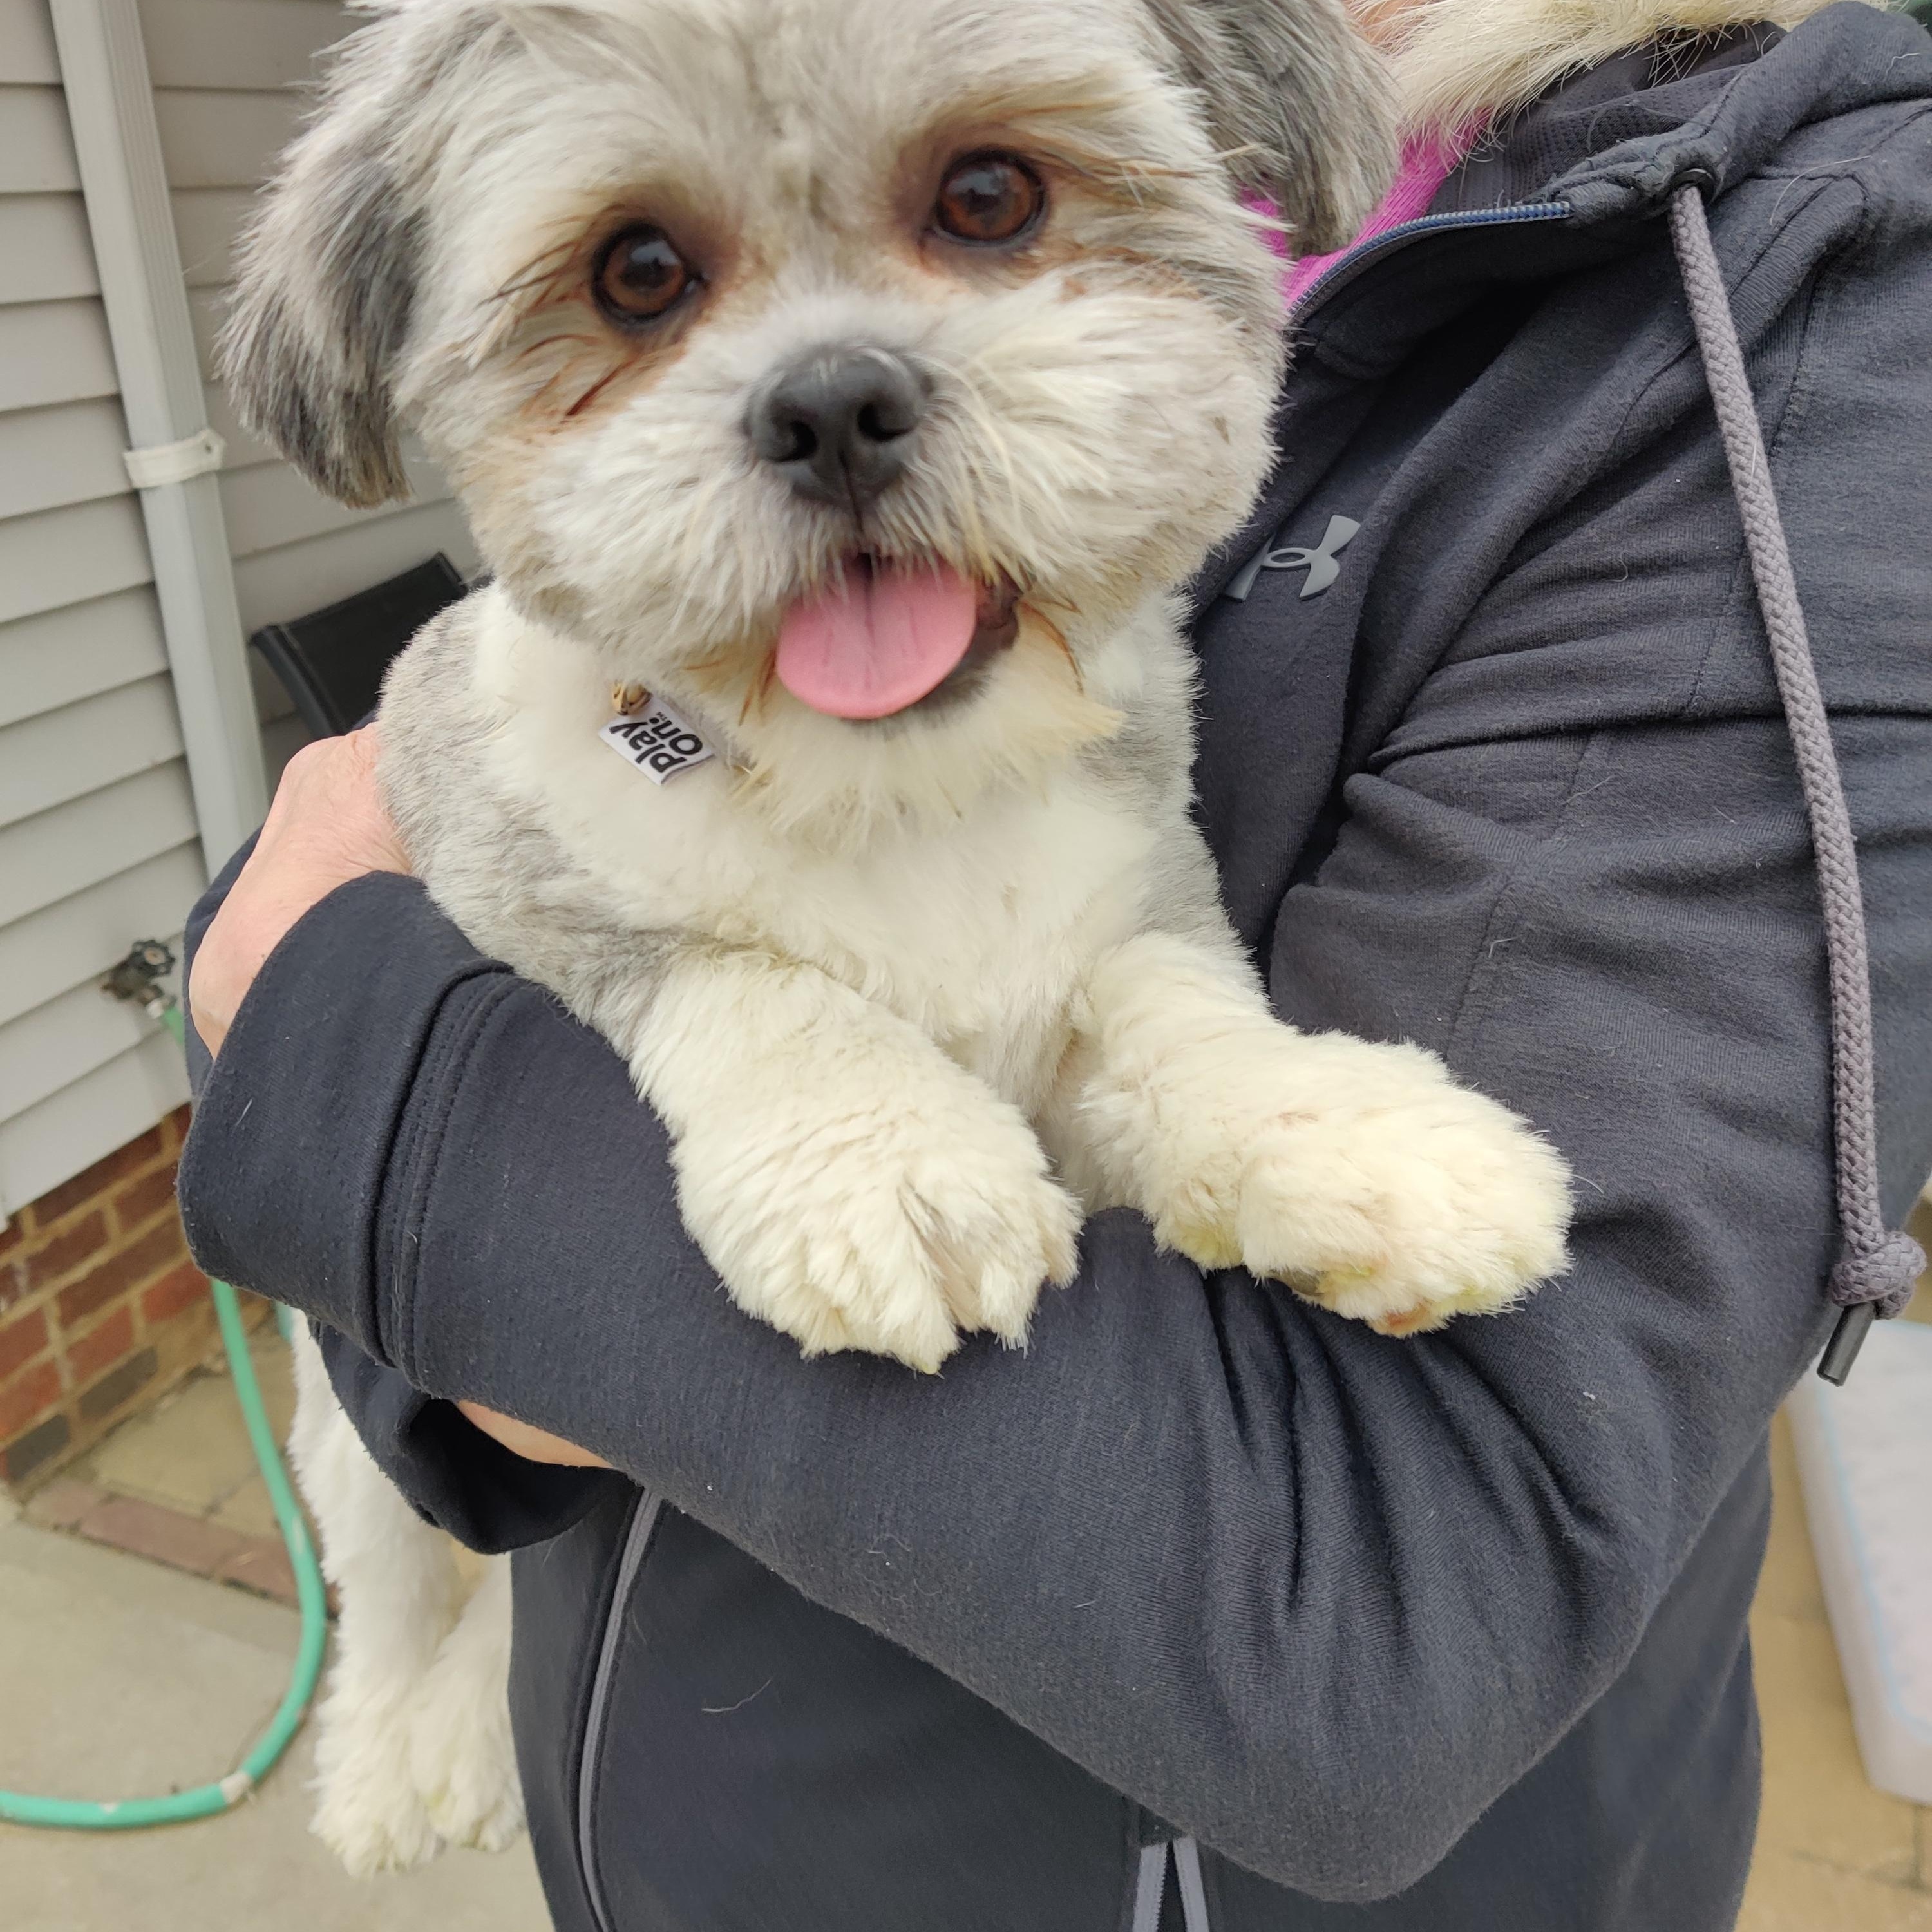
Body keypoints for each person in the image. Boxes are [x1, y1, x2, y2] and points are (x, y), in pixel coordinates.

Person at [178, 2, 1932, 1927]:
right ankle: (387, 1670)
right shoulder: (559, 721)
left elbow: (1383, 1623)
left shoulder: (1813, 314)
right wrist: (393, 1189)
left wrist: (389, 1125)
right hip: (675, 1790)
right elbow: (332, 973)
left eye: (989, 203)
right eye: (646, 281)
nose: (832, 390)